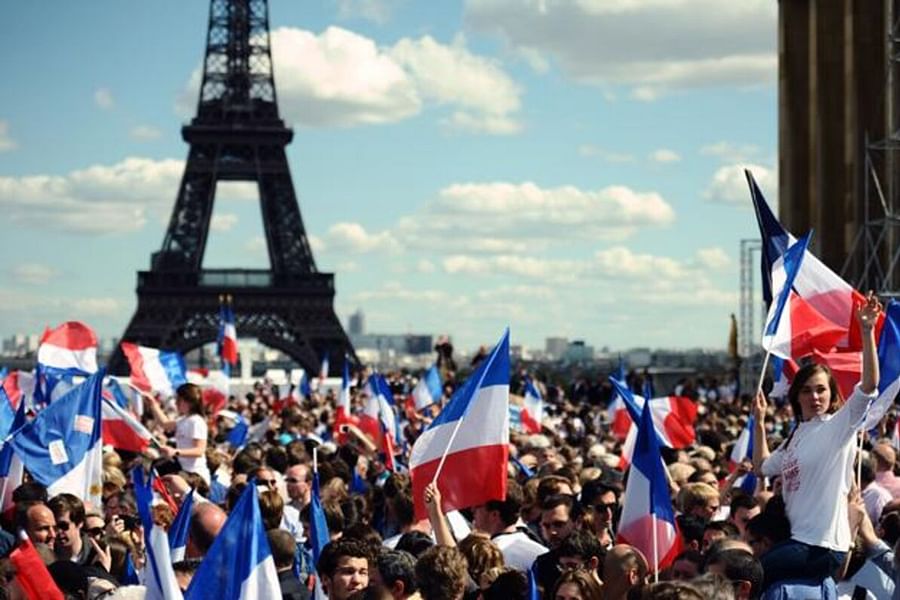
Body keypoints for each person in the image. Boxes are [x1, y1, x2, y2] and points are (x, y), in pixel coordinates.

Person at [752, 292, 882, 588]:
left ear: (832, 394)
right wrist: (759, 423)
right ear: (797, 397)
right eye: (808, 390)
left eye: (821, 390)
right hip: (798, 541)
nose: (815, 397)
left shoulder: (838, 427)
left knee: (750, 575)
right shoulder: (796, 436)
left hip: (821, 547)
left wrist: (866, 331)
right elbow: (761, 467)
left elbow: (869, 385)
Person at [147, 382, 211, 483]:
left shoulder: (197, 421)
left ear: (189, 402)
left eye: (178, 400)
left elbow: (200, 450)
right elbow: (165, 424)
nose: (176, 403)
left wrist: (175, 452)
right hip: (183, 470)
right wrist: (153, 404)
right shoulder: (183, 420)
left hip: (194, 475)